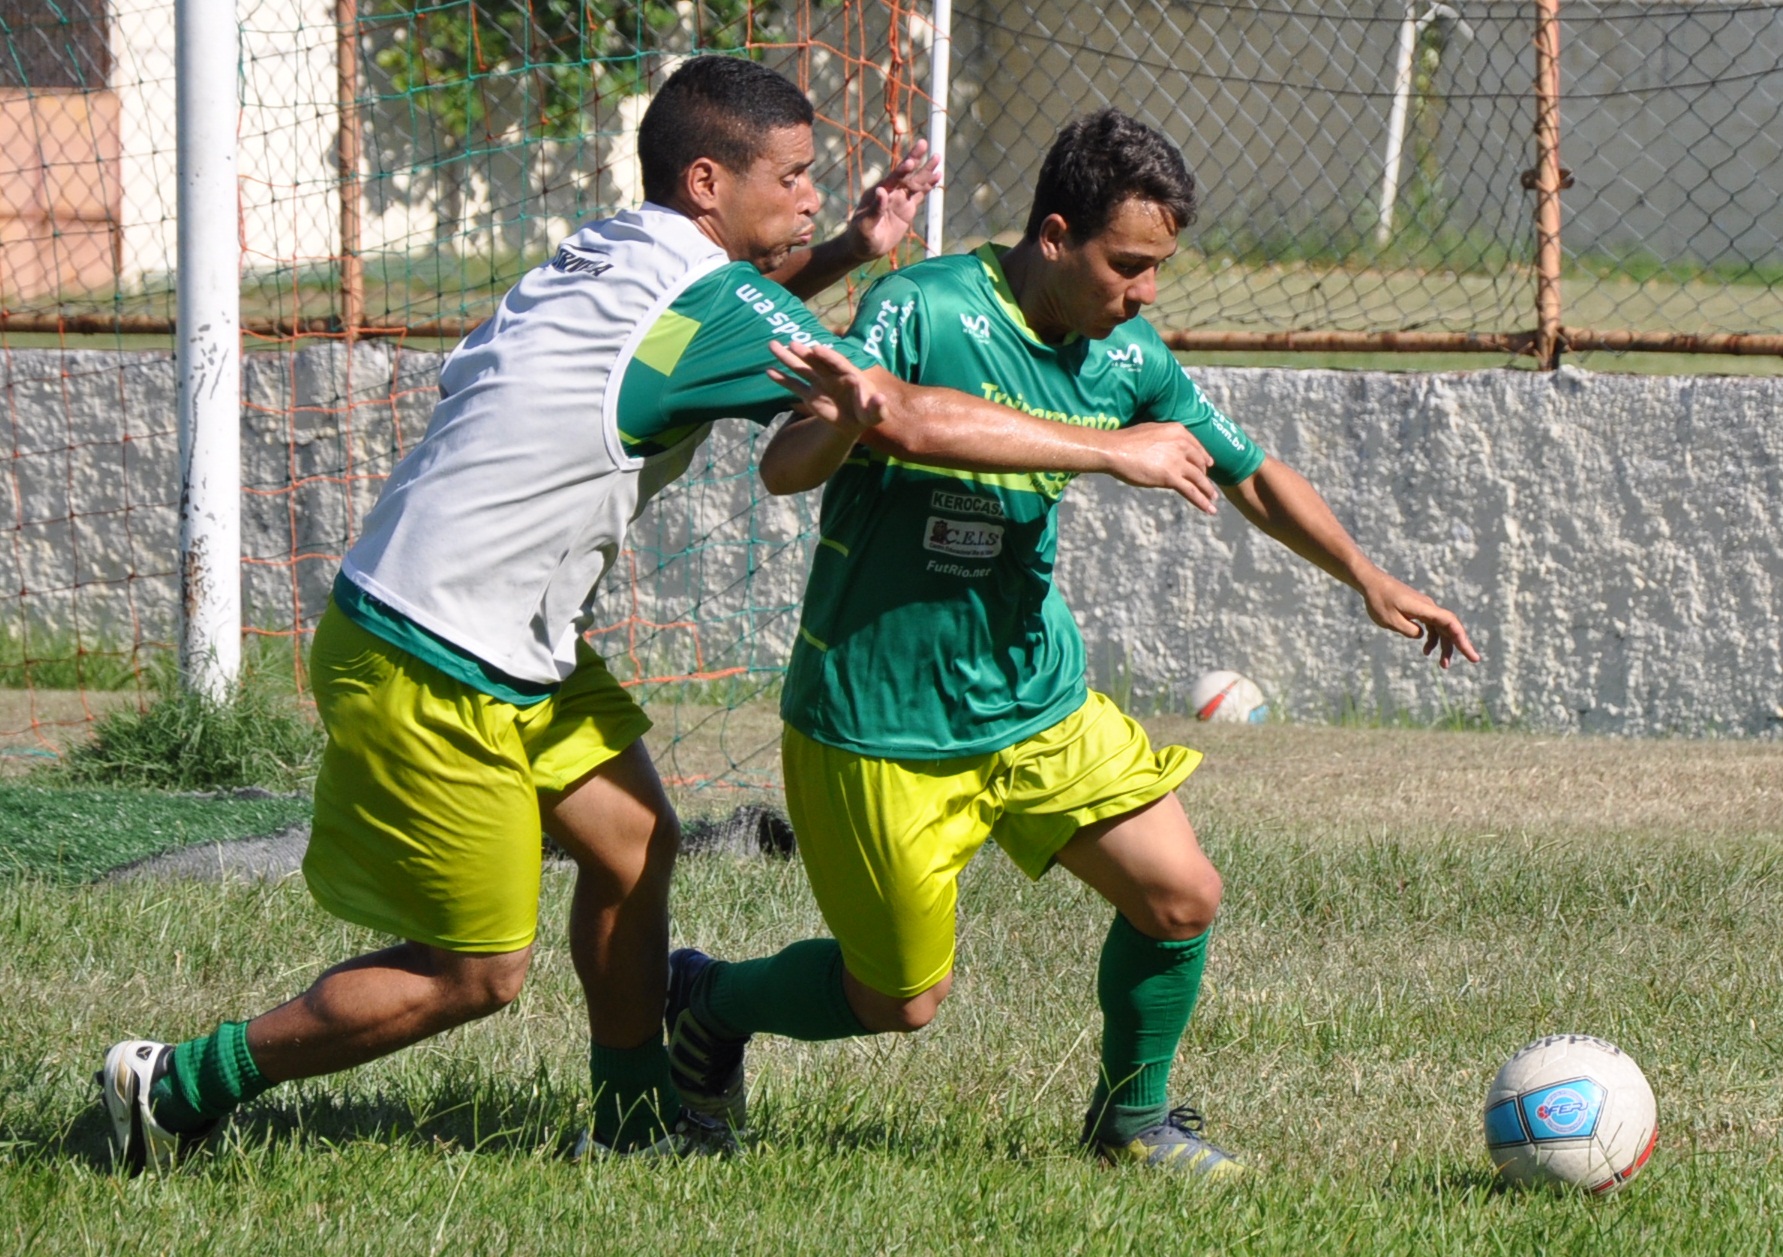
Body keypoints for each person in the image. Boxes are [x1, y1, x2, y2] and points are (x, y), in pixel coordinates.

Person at [97, 64, 1224, 1172]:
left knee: (635, 841)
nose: (809, 200)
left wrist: (842, 257)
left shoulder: (614, 251)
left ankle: (638, 1123)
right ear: (703, 180)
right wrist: (1113, 450)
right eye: (789, 179)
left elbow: (745, 333)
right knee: (476, 974)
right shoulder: (700, 299)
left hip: (498, 635)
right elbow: (883, 408)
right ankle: (179, 1085)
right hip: (427, 649)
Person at [666, 108, 1480, 1175]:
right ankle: (709, 1002)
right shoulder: (924, 305)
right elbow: (798, 459)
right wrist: (1081, 448)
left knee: (1180, 893)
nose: (1145, 294)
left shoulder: (1123, 352)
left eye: (1156, 269)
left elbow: (1248, 471)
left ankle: (1130, 1124)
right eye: (1127, 266)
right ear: (1054, 235)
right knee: (899, 1000)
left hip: (1035, 701)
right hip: (879, 719)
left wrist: (1368, 578)